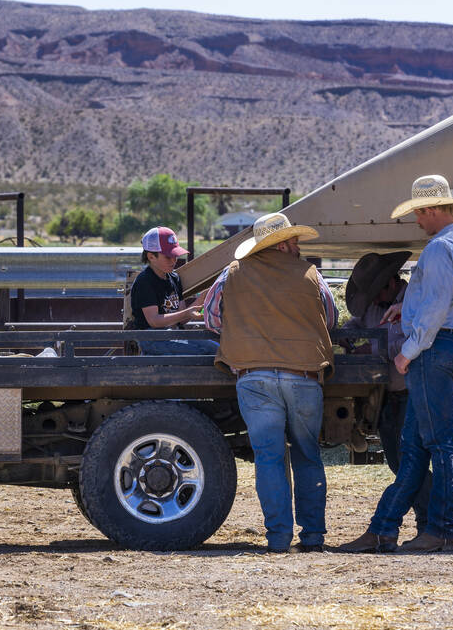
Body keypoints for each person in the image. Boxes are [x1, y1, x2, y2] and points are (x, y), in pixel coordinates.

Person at [341, 174, 453, 553]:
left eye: (419, 215)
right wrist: (407, 308)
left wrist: (409, 349)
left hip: (431, 351)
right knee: (416, 446)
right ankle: (385, 527)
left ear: (431, 210)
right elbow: (449, 300)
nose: (418, 223)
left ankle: (438, 528)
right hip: (449, 348)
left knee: (437, 444)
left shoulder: (438, 250)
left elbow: (436, 307)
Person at [205, 212, 337, 553]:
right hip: (305, 374)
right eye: (291, 241)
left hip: (254, 374)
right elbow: (331, 316)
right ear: (279, 245)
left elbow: (212, 317)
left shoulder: (231, 274)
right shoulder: (311, 274)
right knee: (307, 455)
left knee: (269, 458)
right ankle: (313, 538)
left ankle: (278, 538)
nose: (296, 246)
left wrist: (246, 331)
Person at [342, 251, 431, 533]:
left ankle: (428, 517)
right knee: (397, 460)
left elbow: (401, 345)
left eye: (376, 292)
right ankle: (428, 518)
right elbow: (357, 325)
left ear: (391, 283)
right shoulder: (375, 305)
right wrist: (344, 334)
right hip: (386, 394)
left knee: (407, 461)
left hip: (409, 391)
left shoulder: (413, 302)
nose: (374, 300)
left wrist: (369, 349)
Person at [129, 226, 217, 355]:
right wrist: (187, 313)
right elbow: (154, 321)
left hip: (173, 334)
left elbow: (181, 319)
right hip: (152, 339)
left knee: (216, 350)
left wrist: (203, 297)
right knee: (202, 352)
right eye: (168, 257)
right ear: (151, 256)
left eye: (175, 256)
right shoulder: (145, 281)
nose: (174, 261)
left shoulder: (174, 278)